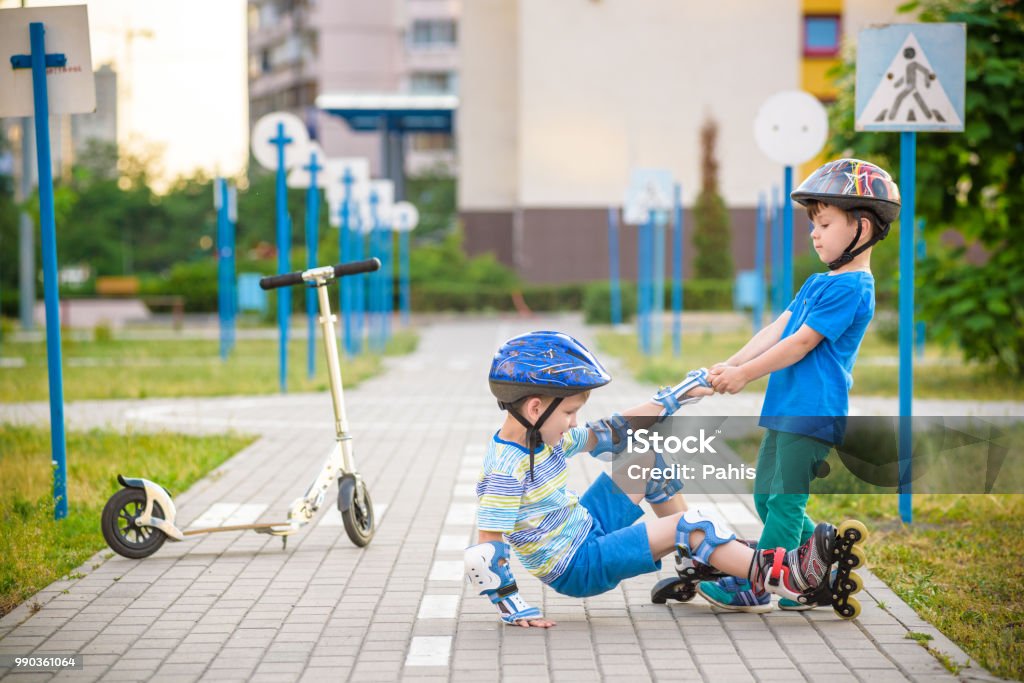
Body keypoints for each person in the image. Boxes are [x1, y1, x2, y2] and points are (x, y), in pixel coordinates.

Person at [464, 330, 865, 628]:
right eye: (569, 412)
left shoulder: (545, 437)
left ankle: (705, 561)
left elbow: (612, 431)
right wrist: (515, 610)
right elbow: (487, 554)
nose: (573, 422)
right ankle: (783, 576)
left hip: (585, 527)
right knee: (693, 525)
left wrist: (679, 394)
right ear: (535, 407)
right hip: (579, 564)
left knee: (647, 460)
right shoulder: (505, 471)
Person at [698, 158, 899, 612]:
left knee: (785, 503)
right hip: (786, 406)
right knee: (767, 497)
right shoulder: (817, 283)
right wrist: (729, 365)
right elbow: (778, 328)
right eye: (814, 224)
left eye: (825, 223)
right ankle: (820, 560)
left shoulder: (853, 288)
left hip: (813, 410)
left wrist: (746, 375)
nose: (815, 233)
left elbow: (801, 344)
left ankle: (759, 582)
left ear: (862, 230)